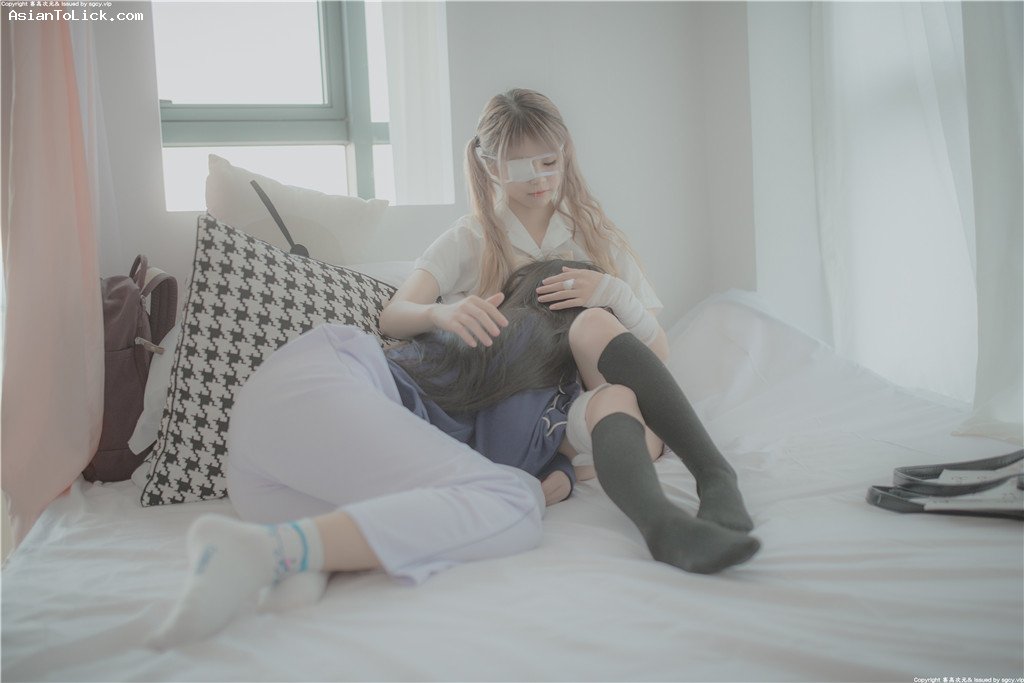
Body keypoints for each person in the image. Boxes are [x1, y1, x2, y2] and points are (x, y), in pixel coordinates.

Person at [148, 260, 760, 649]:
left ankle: (297, 556)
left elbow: (632, 428)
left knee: (498, 493)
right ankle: (271, 552)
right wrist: (608, 304)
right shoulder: (503, 329)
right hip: (330, 388)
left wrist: (581, 459)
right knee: (513, 503)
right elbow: (608, 362)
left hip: (279, 476)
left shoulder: (560, 416)